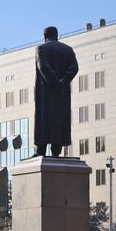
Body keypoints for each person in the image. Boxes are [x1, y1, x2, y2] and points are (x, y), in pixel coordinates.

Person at [34, 26, 79, 157]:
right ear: (57, 35)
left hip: (46, 93)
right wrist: (63, 82)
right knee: (59, 119)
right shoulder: (68, 50)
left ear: (45, 36)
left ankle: (40, 151)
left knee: (44, 120)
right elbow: (74, 68)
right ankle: (56, 152)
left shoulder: (41, 48)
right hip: (62, 94)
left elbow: (43, 67)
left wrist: (55, 82)